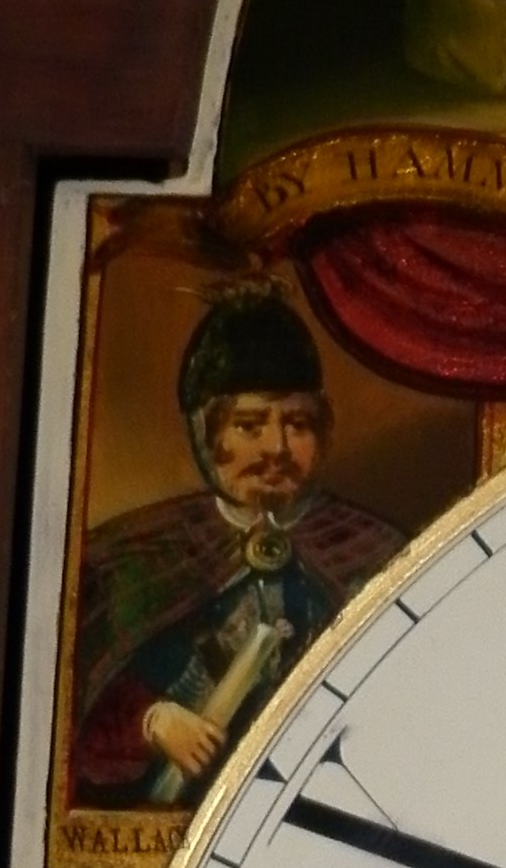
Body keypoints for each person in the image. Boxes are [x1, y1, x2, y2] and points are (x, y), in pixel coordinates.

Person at [70, 286, 403, 811]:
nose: (276, 448)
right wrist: (154, 723)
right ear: (207, 432)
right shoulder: (132, 561)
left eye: (296, 424)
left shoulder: (377, 554)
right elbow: (74, 725)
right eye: (249, 426)